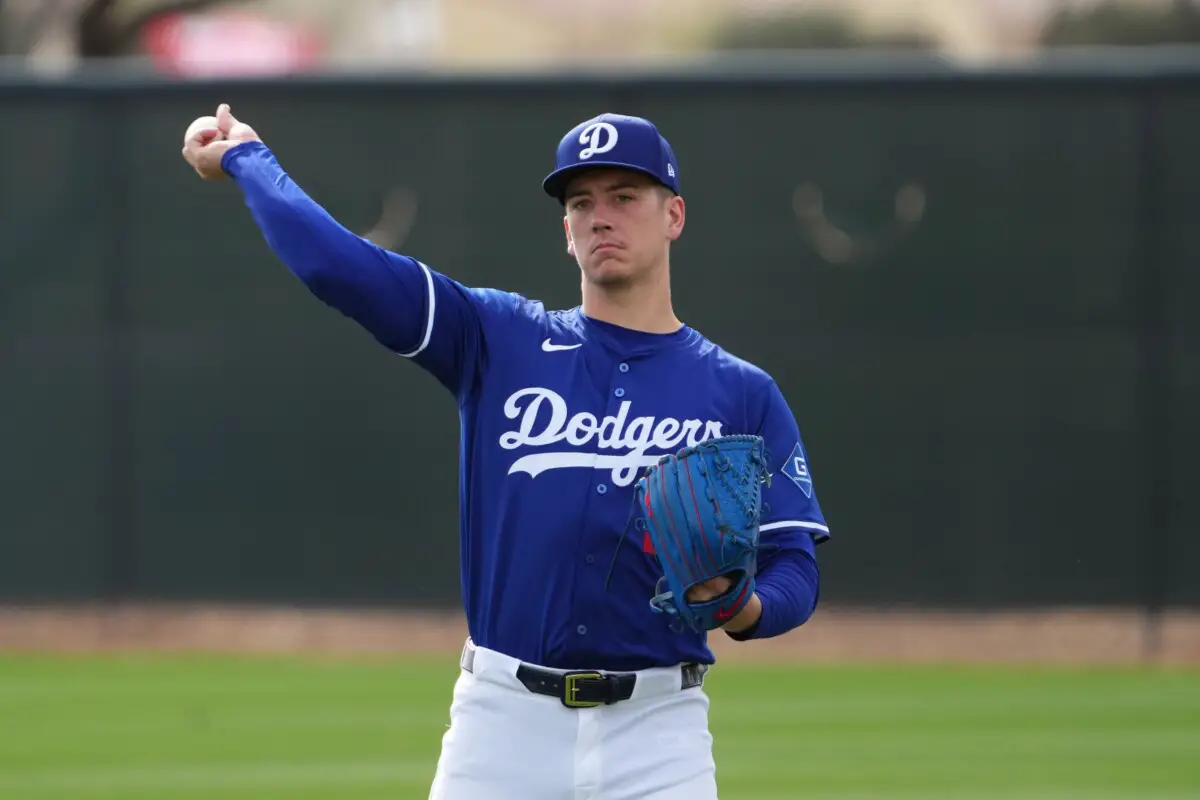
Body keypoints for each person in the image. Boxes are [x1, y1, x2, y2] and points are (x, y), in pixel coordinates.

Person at [182, 104, 832, 800]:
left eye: (624, 197)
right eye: (581, 202)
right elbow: (342, 269)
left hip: (659, 732)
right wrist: (251, 159)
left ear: (673, 215)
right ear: (565, 231)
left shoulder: (739, 393)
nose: (600, 216)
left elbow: (794, 565)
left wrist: (742, 609)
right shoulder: (496, 339)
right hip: (500, 729)